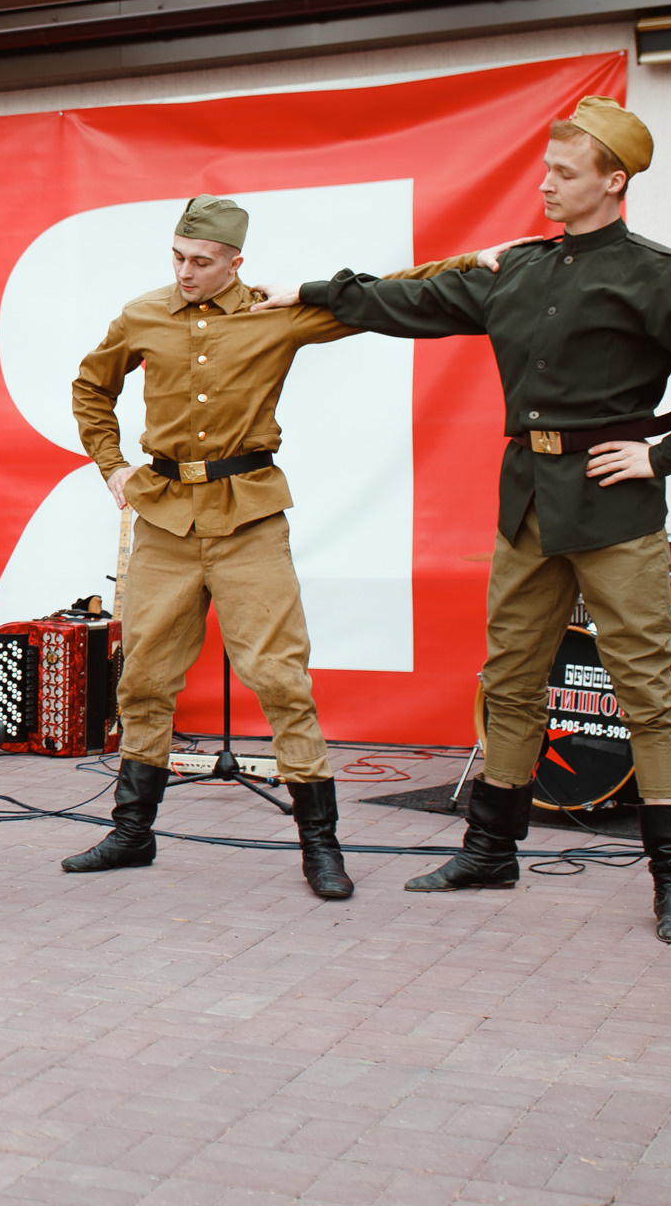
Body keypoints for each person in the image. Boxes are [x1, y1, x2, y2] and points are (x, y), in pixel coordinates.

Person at [253, 96, 671, 944]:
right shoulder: (522, 268)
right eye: (545, 170)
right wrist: (311, 292)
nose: (546, 185)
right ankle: (491, 851)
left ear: (614, 181)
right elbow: (413, 302)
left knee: (646, 693)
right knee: (509, 682)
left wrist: (668, 453)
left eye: (564, 173)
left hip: (614, 508)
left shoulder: (658, 273)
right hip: (527, 502)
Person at [67, 196, 511, 898]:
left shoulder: (274, 311)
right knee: (144, 679)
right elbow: (92, 386)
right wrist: (112, 465)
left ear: (235, 263)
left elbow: (380, 291)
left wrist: (469, 260)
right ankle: (131, 833)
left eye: (201, 261)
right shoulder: (142, 314)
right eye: (178, 257)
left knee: (280, 680)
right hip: (165, 523)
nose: (185, 271)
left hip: (248, 520)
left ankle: (320, 848)